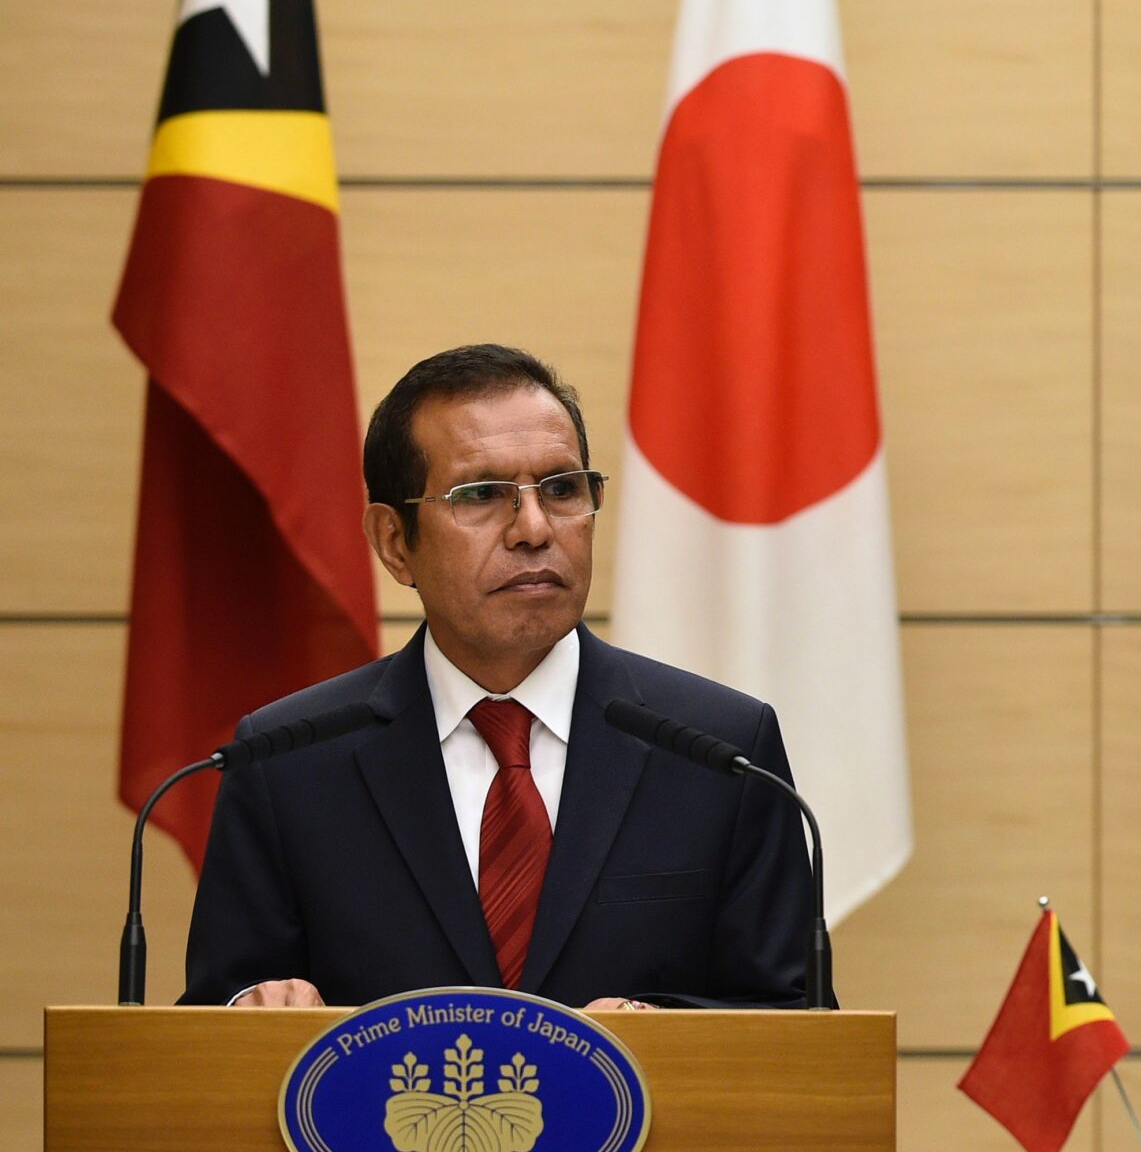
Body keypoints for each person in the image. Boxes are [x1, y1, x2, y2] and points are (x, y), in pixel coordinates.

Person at [183, 344, 824, 1011]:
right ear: (395, 542)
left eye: (563, 488)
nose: (535, 529)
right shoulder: (286, 762)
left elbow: (799, 1025)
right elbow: (212, 1024)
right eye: (482, 495)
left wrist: (662, 1036)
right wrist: (258, 1013)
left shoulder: (720, 750)